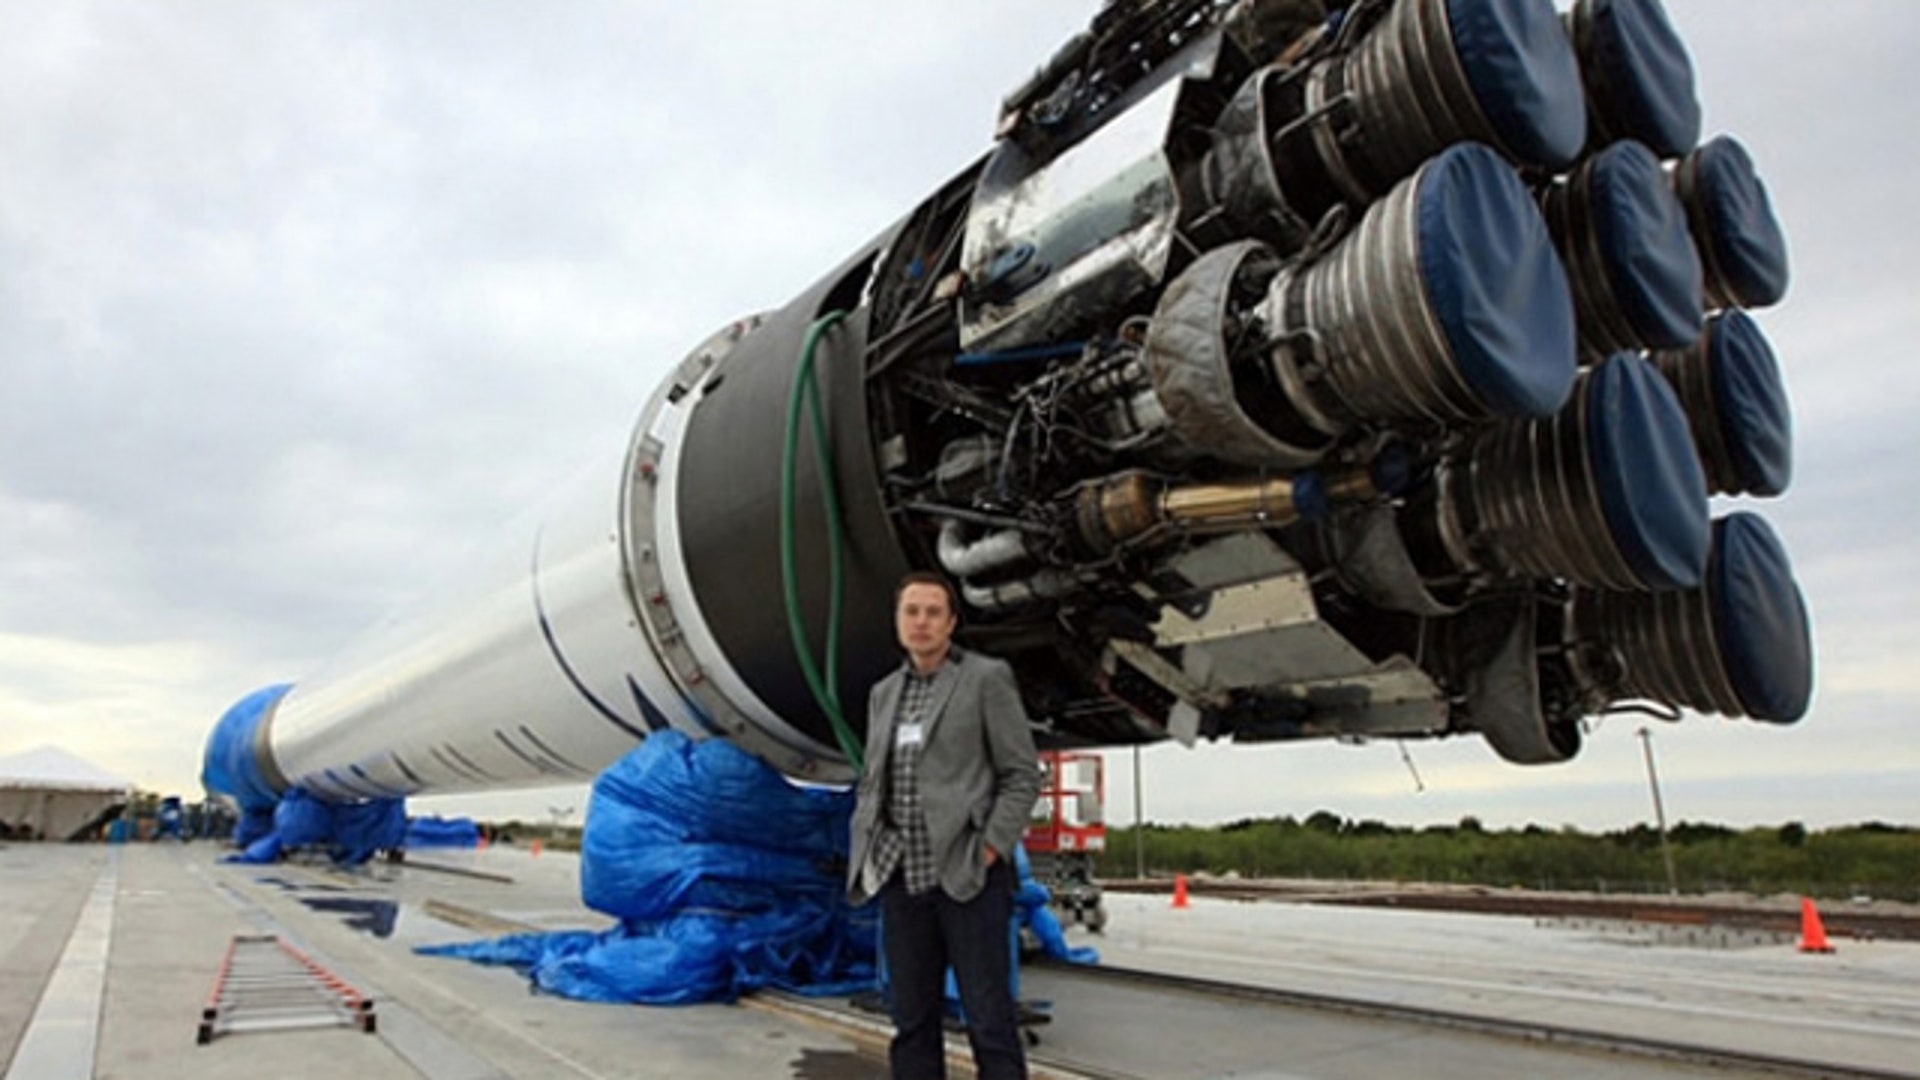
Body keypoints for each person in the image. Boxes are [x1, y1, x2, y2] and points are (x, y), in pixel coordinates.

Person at [847, 570, 1042, 1080]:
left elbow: (1021, 775)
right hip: (901, 878)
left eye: (934, 612)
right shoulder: (883, 694)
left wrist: (991, 848)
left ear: (951, 622)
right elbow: (873, 780)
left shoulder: (984, 679)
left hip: (967, 877)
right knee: (911, 1021)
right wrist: (866, 849)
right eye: (912, 611)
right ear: (898, 621)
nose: (922, 622)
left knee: (989, 1020)